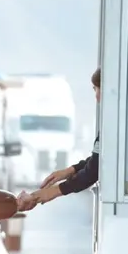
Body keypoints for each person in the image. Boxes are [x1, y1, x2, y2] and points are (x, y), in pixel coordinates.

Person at [18, 67, 101, 211]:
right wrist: (70, 170)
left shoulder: (116, 123)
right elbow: (99, 160)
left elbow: (93, 170)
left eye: (97, 89)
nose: (97, 97)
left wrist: (53, 192)